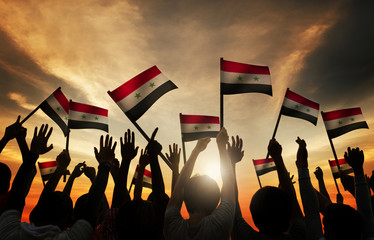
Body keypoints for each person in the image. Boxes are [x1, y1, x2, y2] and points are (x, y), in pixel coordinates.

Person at [164, 127, 236, 240]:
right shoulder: (220, 224)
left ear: (185, 198)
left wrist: (196, 151)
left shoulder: (172, 228)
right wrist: (222, 147)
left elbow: (179, 188)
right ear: (217, 200)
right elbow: (229, 182)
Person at [231, 137, 305, 240]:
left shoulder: (246, 236)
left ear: (255, 219)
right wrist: (278, 158)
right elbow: (292, 200)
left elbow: (232, 206)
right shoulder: (300, 236)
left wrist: (231, 164)